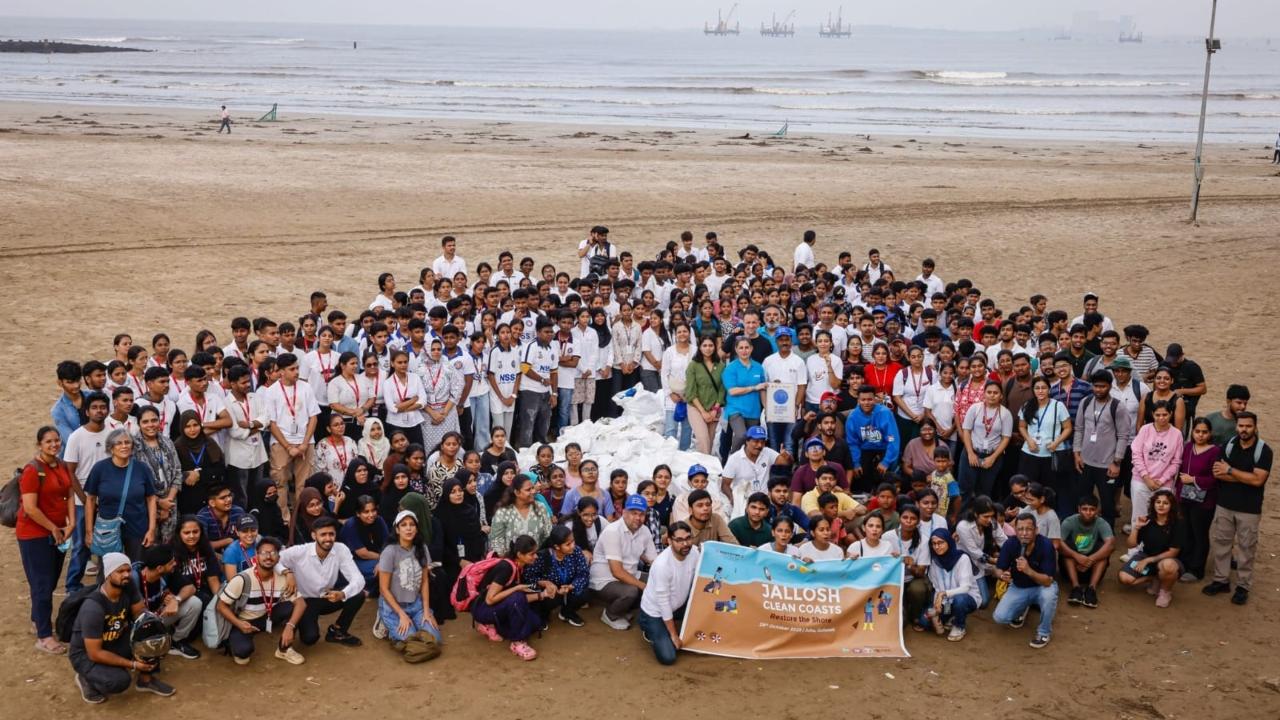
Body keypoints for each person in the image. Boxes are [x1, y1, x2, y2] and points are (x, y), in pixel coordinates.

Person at [69, 553, 175, 703]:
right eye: (120, 571)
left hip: (114, 639)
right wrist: (132, 664)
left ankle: (145, 680)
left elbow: (140, 612)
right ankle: (85, 677)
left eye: (128, 570)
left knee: (152, 634)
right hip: (86, 654)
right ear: (107, 575)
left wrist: (151, 626)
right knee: (119, 680)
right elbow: (95, 653)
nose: (126, 574)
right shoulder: (93, 607)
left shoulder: (128, 586)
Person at [17, 426, 76, 654]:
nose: (54, 445)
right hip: (35, 535)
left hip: (58, 532)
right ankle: (44, 636)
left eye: (56, 440)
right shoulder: (33, 471)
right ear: (39, 445)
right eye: (48, 441)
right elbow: (30, 508)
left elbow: (69, 492)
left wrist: (70, 523)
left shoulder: (60, 465)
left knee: (49, 581)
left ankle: (37, 619)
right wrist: (54, 528)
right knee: (42, 584)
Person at [1203, 412, 1270, 606]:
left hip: (1249, 509)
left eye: (1248, 426)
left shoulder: (1263, 451)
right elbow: (1218, 473)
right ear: (1237, 427)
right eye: (1241, 426)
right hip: (1224, 505)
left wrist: (1230, 471)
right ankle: (1221, 580)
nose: (1244, 430)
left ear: (1255, 427)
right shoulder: (1229, 446)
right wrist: (1245, 477)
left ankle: (1243, 586)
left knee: (1246, 548)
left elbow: (1258, 480)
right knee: (1221, 544)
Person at [217, 535, 307, 665]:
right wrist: (238, 623)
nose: (268, 556)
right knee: (243, 654)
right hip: (244, 620)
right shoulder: (242, 579)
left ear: (278, 558)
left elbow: (301, 603)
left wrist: (290, 627)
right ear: (256, 556)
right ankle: (234, 643)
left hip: (266, 616)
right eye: (264, 553)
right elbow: (221, 606)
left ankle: (284, 650)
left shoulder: (282, 579)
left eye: (273, 553)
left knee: (293, 607)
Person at [278, 516, 365, 647]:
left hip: (326, 597)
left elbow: (358, 579)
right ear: (314, 535)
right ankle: (291, 620)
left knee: (358, 594)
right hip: (304, 602)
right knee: (310, 639)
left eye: (331, 534)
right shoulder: (300, 551)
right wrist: (287, 572)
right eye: (323, 534)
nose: (328, 538)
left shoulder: (341, 549)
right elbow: (275, 559)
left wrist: (342, 594)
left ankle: (337, 631)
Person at [375, 510, 442, 660]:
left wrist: (426, 611)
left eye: (412, 524)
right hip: (393, 607)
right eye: (404, 525)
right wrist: (401, 614)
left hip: (416, 604)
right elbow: (383, 589)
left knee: (435, 640)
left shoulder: (422, 548)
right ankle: (383, 620)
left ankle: (408, 627)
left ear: (417, 528)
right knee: (411, 641)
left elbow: (424, 582)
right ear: (397, 530)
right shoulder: (390, 551)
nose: (409, 528)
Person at [84, 428, 158, 562]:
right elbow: (90, 500)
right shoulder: (99, 469)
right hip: (108, 531)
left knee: (137, 569)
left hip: (137, 528)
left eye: (127, 442)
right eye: (118, 443)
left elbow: (151, 498)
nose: (124, 446)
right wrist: (89, 531)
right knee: (109, 571)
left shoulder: (142, 468)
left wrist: (151, 529)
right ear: (111, 448)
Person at [1073, 370, 1134, 527]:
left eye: (1103, 386)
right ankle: (1083, 530)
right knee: (1082, 499)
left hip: (1107, 465)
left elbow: (1123, 436)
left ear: (1109, 386)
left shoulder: (1117, 407)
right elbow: (1079, 428)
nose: (1099, 389)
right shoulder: (1085, 402)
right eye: (1096, 386)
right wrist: (1077, 453)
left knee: (1107, 504)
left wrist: (1116, 462)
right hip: (1085, 462)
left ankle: (1108, 535)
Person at [588, 494, 658, 630]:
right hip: (604, 580)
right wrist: (644, 587)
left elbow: (654, 560)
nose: (638, 518)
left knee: (656, 580)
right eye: (633, 513)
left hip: (630, 574)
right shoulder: (613, 531)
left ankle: (623, 609)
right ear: (624, 512)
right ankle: (610, 614)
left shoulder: (645, 531)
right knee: (632, 591)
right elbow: (617, 572)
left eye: (642, 514)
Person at [264, 353, 321, 519]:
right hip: (281, 443)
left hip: (305, 441)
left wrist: (304, 444)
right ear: (281, 371)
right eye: (292, 369)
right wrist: (288, 446)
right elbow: (271, 423)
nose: (296, 372)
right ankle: (284, 519)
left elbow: (313, 417)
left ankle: (301, 518)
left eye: (297, 368)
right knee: (280, 482)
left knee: (304, 484)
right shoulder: (271, 391)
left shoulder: (306, 387)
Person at [470, 534, 543, 660]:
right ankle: (517, 642)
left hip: (497, 606)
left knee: (535, 622)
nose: (535, 556)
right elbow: (490, 599)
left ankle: (492, 626)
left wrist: (543, 595)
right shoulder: (506, 568)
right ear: (520, 555)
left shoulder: (519, 567)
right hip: (483, 608)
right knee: (518, 598)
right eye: (532, 554)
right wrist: (516, 588)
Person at [992, 512, 1058, 649]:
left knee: (1049, 596)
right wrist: (1001, 575)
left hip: (1041, 586)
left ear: (1036, 530)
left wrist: (1028, 570)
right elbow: (998, 569)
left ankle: (1043, 632)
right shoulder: (1010, 544)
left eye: (1028, 529)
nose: (1024, 533)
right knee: (1000, 617)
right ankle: (1023, 607)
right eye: (1020, 529)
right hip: (1019, 586)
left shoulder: (1046, 545)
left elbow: (1047, 581)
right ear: (1015, 530)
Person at [638, 521, 700, 665]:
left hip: (679, 604)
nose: (685, 544)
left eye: (688, 538)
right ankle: (645, 622)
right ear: (669, 541)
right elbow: (663, 603)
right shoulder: (662, 565)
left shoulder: (694, 552)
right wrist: (673, 635)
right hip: (656, 611)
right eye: (679, 540)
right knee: (668, 657)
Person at [129, 544, 203, 659]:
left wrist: (176, 600)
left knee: (195, 603)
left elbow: (191, 588)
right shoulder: (133, 579)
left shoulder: (167, 573)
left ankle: (175, 642)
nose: (175, 564)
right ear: (159, 568)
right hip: (136, 624)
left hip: (159, 616)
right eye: (171, 562)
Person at [1118, 488, 1186, 608]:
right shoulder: (1147, 520)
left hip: (1166, 559)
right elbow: (1131, 544)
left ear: (1171, 506)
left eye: (1165, 503)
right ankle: (1154, 578)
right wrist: (1137, 528)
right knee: (1125, 579)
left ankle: (1165, 592)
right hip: (1145, 555)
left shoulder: (1178, 524)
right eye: (1158, 502)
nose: (1161, 505)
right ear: (1153, 504)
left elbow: (1173, 552)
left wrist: (1148, 560)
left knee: (1168, 566)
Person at [1176, 417, 1221, 582]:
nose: (1200, 435)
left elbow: (1215, 478)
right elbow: (1180, 473)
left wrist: (1194, 480)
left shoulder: (1215, 451)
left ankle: (1196, 569)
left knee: (1199, 534)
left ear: (1210, 433)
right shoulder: (1188, 447)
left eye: (1204, 432)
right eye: (1197, 431)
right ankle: (1184, 564)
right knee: (1185, 531)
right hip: (1184, 498)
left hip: (1205, 501)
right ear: (1192, 432)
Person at [1129, 401, 1184, 529]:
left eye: (1165, 414)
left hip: (1164, 484)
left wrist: (1162, 480)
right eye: (1157, 415)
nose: (1161, 418)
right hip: (1141, 481)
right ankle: (1136, 548)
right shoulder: (1145, 429)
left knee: (1163, 518)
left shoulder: (1177, 434)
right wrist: (1146, 478)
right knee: (1139, 516)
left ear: (1171, 414)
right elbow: (1136, 455)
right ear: (1152, 414)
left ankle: (1158, 547)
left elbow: (1176, 462)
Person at [524, 525, 591, 628]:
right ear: (557, 547)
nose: (573, 546)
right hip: (551, 589)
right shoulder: (542, 556)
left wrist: (571, 586)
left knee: (584, 592)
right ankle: (543, 614)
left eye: (573, 541)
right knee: (550, 597)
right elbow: (529, 577)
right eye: (568, 544)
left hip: (568, 586)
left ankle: (567, 612)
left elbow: (583, 573)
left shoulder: (576, 551)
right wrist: (546, 583)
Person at [958, 381, 1013, 501]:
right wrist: (970, 453)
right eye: (989, 392)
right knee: (965, 489)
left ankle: (982, 517)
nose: (992, 395)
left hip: (992, 456)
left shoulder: (1005, 414)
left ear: (1001, 396)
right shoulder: (975, 408)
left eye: (995, 393)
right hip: (971, 452)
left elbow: (1006, 438)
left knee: (984, 490)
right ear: (984, 394)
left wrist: (993, 457)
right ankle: (963, 516)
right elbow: (966, 431)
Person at [1059, 495, 1115, 609]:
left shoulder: (1101, 523)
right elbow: (1058, 542)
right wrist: (1076, 556)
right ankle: (1076, 587)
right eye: (1085, 509)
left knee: (1103, 549)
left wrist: (1090, 559)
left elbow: (1111, 544)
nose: (1088, 512)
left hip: (1091, 568)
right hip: (1071, 568)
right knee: (1066, 549)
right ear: (1079, 509)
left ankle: (1091, 588)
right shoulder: (1069, 521)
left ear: (1097, 510)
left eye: (1092, 509)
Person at [926, 529, 980, 642]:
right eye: (934, 543)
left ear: (949, 542)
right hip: (947, 602)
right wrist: (938, 603)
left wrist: (943, 594)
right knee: (925, 620)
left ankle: (959, 626)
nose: (937, 547)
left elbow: (965, 588)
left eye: (940, 542)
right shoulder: (934, 561)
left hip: (967, 598)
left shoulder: (962, 558)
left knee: (959, 600)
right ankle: (950, 616)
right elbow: (936, 586)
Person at [844, 384, 900, 493]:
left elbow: (893, 439)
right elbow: (852, 443)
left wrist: (886, 461)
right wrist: (856, 463)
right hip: (864, 449)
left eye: (870, 399)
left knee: (884, 474)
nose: (866, 403)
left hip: (883, 448)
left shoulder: (885, 413)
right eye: (863, 400)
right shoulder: (853, 417)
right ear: (858, 400)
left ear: (875, 399)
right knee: (860, 472)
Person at [954, 496, 1006, 607]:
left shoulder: (992, 522)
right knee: (983, 601)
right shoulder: (963, 526)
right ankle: (958, 594)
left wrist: (1010, 553)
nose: (989, 519)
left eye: (991, 516)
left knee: (983, 600)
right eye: (985, 516)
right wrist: (998, 562)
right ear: (976, 514)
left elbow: (1003, 540)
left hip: (982, 561)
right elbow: (975, 553)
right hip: (968, 563)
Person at [722, 336, 767, 454]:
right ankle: (733, 457)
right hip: (735, 409)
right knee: (742, 435)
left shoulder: (758, 367)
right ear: (736, 350)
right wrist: (753, 387)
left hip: (753, 410)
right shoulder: (731, 368)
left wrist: (767, 408)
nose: (744, 350)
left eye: (747, 347)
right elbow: (732, 391)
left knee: (751, 441)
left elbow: (762, 389)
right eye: (741, 348)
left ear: (751, 348)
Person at [490, 473, 554, 555]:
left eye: (533, 488)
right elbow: (497, 542)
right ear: (517, 492)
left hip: (536, 559)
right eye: (528, 490)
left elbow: (548, 535)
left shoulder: (540, 508)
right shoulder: (503, 512)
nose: (533, 491)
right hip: (511, 562)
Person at [339, 497, 389, 593]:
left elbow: (388, 543)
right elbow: (363, 553)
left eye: (373, 510)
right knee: (385, 568)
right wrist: (383, 559)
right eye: (366, 512)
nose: (371, 515)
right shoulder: (351, 525)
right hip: (354, 560)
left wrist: (383, 560)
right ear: (358, 513)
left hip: (375, 557)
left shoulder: (379, 520)